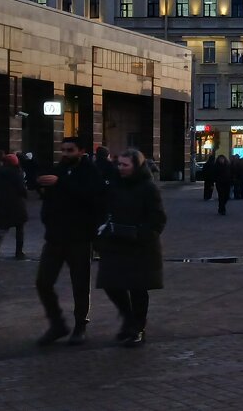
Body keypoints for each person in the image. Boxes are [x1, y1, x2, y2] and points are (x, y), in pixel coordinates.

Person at [36, 136, 106, 345]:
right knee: (43, 282)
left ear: (81, 151)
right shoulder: (59, 169)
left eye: (70, 150)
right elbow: (50, 200)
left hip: (80, 238)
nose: (66, 154)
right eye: (64, 150)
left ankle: (80, 326)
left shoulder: (90, 171)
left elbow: (91, 197)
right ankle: (57, 324)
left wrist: (61, 183)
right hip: (55, 237)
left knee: (80, 284)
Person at [97, 149, 167, 347]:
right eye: (118, 164)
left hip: (140, 246)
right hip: (115, 242)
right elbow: (104, 208)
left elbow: (158, 219)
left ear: (136, 166)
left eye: (125, 165)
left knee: (137, 289)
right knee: (110, 283)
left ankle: (138, 328)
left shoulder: (148, 188)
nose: (120, 168)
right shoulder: (114, 185)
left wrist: (140, 233)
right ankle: (128, 319)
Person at [0, 152, 29, 260]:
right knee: (19, 228)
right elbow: (21, 188)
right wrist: (25, 195)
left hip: (3, 203)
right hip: (16, 203)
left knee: (3, 228)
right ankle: (19, 251)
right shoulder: (17, 172)